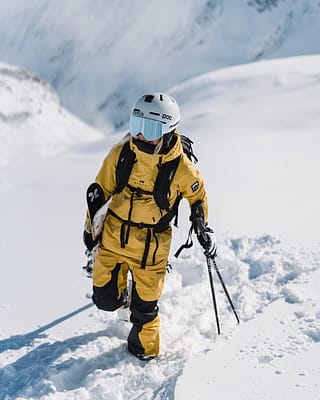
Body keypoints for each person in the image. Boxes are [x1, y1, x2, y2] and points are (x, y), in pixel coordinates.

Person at [83, 92, 216, 361]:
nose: (141, 135)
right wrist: (90, 230)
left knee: (145, 311)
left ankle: (142, 356)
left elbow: (197, 195)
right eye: (136, 126)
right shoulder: (121, 154)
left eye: (151, 129)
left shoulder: (181, 168)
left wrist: (201, 224)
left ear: (167, 133)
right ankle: (122, 293)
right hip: (113, 237)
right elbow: (101, 191)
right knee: (104, 300)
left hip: (151, 249)